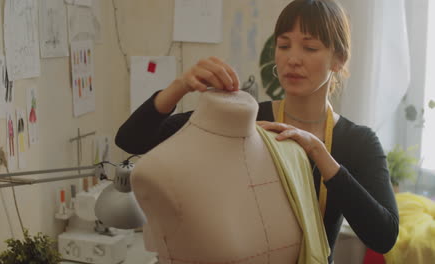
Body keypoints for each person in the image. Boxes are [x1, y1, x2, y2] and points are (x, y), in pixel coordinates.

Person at [115, 0, 399, 263]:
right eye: (284, 45)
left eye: (309, 48)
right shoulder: (247, 119)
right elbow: (132, 140)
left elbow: (384, 236)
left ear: (338, 59)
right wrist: (181, 85)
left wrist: (318, 153)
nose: (293, 59)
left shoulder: (358, 142)